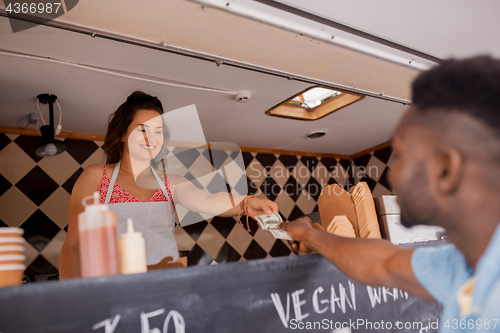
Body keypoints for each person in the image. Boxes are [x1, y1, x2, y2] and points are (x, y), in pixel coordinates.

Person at [279, 56, 500, 332]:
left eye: (401, 155)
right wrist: (310, 235)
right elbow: (383, 263)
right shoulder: (462, 267)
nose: (391, 173)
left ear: (445, 170)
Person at [60, 91, 278, 279]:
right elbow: (73, 245)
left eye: (158, 131)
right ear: (122, 136)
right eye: (142, 129)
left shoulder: (171, 183)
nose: (152, 138)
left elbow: (207, 200)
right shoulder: (96, 176)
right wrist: (73, 301)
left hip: (167, 285)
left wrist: (247, 203)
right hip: (113, 290)